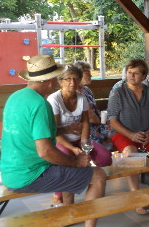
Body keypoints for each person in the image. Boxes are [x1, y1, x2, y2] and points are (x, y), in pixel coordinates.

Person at [0, 55, 117, 227]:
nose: (57, 82)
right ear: (50, 80)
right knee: (98, 175)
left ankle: (70, 211)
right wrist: (76, 162)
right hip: (30, 174)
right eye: (57, 77)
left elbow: (34, 133)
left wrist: (64, 129)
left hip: (9, 172)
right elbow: (45, 152)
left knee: (73, 168)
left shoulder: (16, 97)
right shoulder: (41, 104)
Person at [108, 58, 149, 212]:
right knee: (131, 154)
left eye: (135, 73)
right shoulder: (118, 93)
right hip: (124, 133)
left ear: (143, 76)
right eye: (129, 72)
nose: (131, 76)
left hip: (148, 132)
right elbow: (112, 120)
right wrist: (131, 135)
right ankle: (136, 198)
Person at [47, 65, 112, 206]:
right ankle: (58, 195)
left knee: (105, 157)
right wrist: (73, 149)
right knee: (67, 164)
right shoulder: (54, 99)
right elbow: (55, 131)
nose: (72, 82)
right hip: (61, 141)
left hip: (79, 139)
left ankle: (92, 186)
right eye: (68, 79)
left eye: (76, 79)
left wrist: (84, 145)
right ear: (60, 81)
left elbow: (85, 123)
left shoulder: (82, 98)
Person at [73, 61, 111, 147]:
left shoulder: (86, 90)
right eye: (87, 72)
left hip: (97, 124)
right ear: (78, 74)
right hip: (86, 130)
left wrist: (104, 119)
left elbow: (94, 111)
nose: (91, 75)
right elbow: (91, 118)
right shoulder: (75, 94)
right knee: (113, 131)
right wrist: (103, 122)